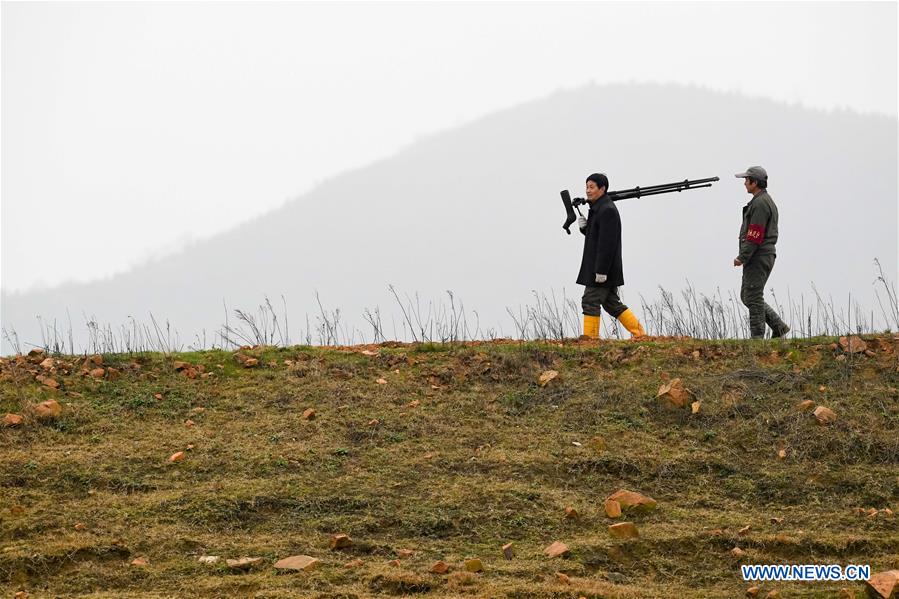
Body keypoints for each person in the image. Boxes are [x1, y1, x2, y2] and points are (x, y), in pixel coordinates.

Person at [576, 173, 645, 339]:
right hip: (603, 269)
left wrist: (601, 271)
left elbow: (607, 244)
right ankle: (640, 334)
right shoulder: (598, 208)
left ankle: (590, 340)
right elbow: (598, 237)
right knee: (611, 303)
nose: (588, 191)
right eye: (587, 187)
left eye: (592, 187)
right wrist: (585, 228)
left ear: (602, 188)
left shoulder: (607, 210)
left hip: (602, 270)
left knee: (590, 300)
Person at [733, 166, 789, 339]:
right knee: (747, 295)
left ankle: (757, 339)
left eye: (746, 180)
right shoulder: (761, 201)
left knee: (753, 296)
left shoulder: (760, 204)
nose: (744, 183)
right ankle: (778, 326)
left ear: (754, 182)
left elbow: (754, 235)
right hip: (759, 255)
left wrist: (742, 257)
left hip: (759, 256)